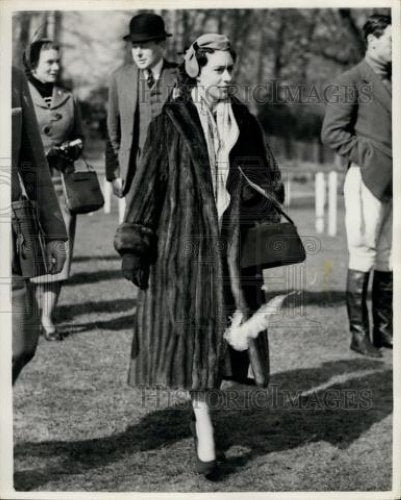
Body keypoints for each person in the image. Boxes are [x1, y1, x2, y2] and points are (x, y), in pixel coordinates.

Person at [114, 34, 283, 478]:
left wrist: (255, 205)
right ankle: (204, 423)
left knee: (226, 340)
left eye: (231, 69)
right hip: (182, 250)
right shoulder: (171, 121)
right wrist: (135, 243)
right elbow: (148, 185)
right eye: (217, 70)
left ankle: (203, 414)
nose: (227, 78)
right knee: (194, 342)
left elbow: (271, 181)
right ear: (196, 70)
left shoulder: (245, 121)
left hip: (233, 254)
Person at [321, 14, 392, 358]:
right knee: (362, 252)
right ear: (373, 41)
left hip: (394, 182)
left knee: (390, 254)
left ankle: (384, 329)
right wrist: (368, 156)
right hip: (366, 179)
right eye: (393, 39)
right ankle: (358, 335)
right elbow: (332, 132)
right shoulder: (350, 80)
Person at [23, 39, 84, 341]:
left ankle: (47, 319)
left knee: (59, 252)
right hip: (25, 187)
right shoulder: (16, 94)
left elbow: (80, 137)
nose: (55, 67)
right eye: (49, 62)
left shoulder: (69, 99)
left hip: (61, 189)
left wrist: (70, 150)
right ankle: (25, 315)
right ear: (33, 64)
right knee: (26, 253)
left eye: (57, 61)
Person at [11, 66, 67, 383]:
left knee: (22, 343)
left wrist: (55, 233)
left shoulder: (14, 77)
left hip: (11, 230)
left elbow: (34, 162)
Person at [106, 13, 178, 208]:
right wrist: (114, 174)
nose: (138, 52)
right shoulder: (119, 78)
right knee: (135, 234)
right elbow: (113, 131)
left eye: (144, 46)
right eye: (135, 46)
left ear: (162, 45)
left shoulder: (181, 78)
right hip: (134, 171)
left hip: (173, 171)